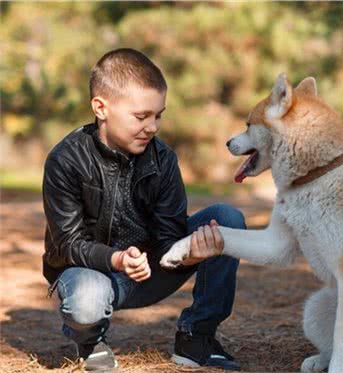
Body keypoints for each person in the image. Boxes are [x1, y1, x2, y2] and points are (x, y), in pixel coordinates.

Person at [43, 48, 242, 371]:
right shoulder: (66, 160)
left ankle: (196, 336)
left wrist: (190, 252)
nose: (152, 127)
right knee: (86, 301)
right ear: (100, 108)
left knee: (228, 220)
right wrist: (117, 259)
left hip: (150, 272)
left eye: (159, 115)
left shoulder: (163, 160)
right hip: (93, 275)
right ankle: (91, 342)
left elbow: (168, 240)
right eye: (141, 117)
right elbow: (66, 244)